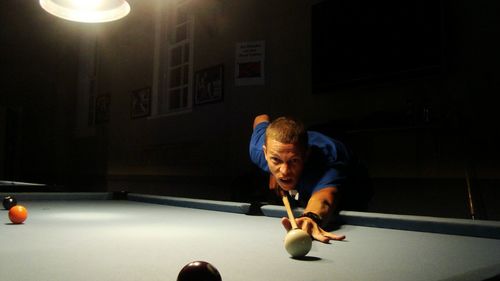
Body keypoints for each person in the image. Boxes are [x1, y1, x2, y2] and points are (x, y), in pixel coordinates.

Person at [249, 114, 371, 243]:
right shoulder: (257, 150)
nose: (284, 171)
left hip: (355, 187)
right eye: (276, 159)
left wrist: (310, 217)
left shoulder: (328, 162)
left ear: (306, 155)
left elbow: (324, 197)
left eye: (293, 160)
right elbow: (261, 118)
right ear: (265, 153)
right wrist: (272, 172)